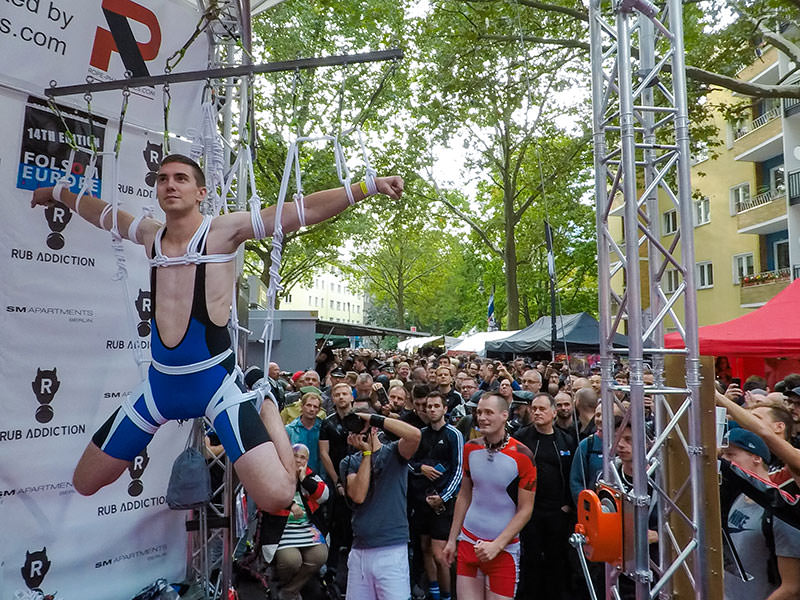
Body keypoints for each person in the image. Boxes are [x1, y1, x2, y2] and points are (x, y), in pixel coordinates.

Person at [31, 153, 403, 513]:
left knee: (277, 496)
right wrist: (58, 193)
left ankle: (266, 400)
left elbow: (298, 212)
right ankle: (263, 398)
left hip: (215, 384)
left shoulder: (223, 231)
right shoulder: (151, 236)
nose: (170, 185)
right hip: (161, 387)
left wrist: (367, 186)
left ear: (201, 193)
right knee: (85, 481)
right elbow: (105, 215)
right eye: (162, 179)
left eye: (180, 179)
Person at [443, 392, 536, 600]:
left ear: (504, 415)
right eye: (479, 412)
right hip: (468, 542)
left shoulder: (523, 456)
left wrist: (498, 545)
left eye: (489, 413)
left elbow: (526, 509)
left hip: (504, 550)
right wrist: (452, 539)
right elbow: (464, 495)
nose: (482, 417)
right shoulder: (470, 449)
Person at [340, 405, 422, 599]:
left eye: (361, 428)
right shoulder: (349, 461)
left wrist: (374, 418)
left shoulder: (395, 453)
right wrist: (366, 454)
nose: (356, 434)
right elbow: (358, 495)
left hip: (391, 550)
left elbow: (415, 435)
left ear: (374, 429)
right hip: (360, 551)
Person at [720, 429, 800, 600]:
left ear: (756, 457)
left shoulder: (779, 508)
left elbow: (792, 588)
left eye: (730, 454)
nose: (725, 462)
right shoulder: (738, 496)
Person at [514, 392, 576, 600]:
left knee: (556, 559)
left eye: (542, 409)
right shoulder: (521, 437)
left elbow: (572, 475)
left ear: (553, 412)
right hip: (528, 510)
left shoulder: (566, 440)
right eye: (534, 409)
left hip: (557, 511)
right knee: (530, 558)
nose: (537, 412)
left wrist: (567, 504)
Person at [408, 391, 464, 600]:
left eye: (436, 406)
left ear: (444, 409)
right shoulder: (419, 434)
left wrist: (445, 496)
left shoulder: (454, 434)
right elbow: (408, 463)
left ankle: (447, 594)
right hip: (422, 502)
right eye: (428, 406)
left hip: (443, 504)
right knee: (425, 547)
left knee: (441, 555)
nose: (431, 409)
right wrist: (421, 468)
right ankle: (432, 589)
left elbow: (459, 470)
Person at [266, 443, 330, 600]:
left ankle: (289, 591)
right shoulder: (277, 474)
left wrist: (304, 480)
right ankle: (281, 584)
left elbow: (324, 495)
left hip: (306, 528)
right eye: (295, 455)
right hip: (281, 529)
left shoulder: (309, 475)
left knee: (320, 555)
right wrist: (290, 505)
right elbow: (266, 498)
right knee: (292, 560)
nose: (298, 460)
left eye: (303, 457)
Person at [285, 391, 324, 473]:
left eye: (315, 407)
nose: (312, 409)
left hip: (318, 474)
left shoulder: (323, 429)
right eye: (308, 405)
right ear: (302, 406)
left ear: (319, 410)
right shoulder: (290, 429)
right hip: (295, 473)